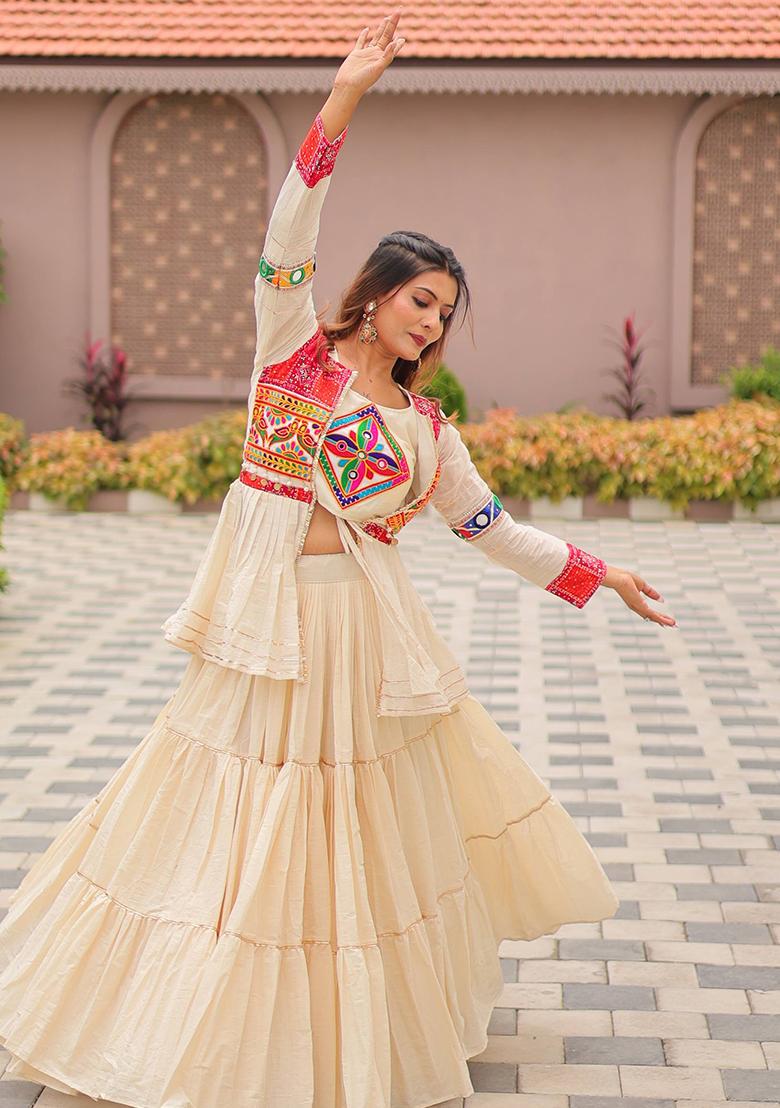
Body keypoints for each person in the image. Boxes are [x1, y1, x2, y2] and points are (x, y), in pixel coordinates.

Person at [0, 12, 676, 1108]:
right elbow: (285, 235)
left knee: (339, 835)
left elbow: (488, 527)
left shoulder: (426, 432)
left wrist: (598, 573)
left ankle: (325, 1030)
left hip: (358, 633)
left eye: (446, 314)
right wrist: (343, 98)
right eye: (420, 299)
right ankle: (189, 1014)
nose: (429, 323)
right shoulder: (293, 352)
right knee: (233, 817)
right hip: (264, 622)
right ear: (376, 291)